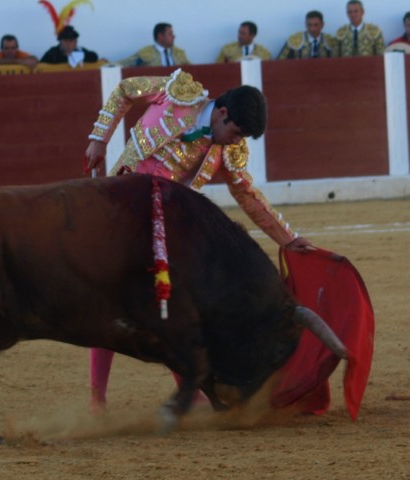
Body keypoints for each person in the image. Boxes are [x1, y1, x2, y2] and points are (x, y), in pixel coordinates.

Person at [84, 68, 312, 409]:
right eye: (236, 133)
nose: (237, 142)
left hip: (166, 225)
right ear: (221, 113)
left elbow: (248, 196)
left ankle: (190, 390)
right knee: (112, 303)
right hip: (119, 210)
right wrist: (99, 137)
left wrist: (288, 239)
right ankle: (98, 398)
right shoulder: (177, 92)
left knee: (174, 305)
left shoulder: (225, 151)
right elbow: (124, 90)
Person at [119, 22, 190, 67]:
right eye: (170, 34)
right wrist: (108, 64)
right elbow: (125, 63)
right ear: (160, 36)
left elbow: (192, 69)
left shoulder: (179, 53)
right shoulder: (145, 52)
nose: (174, 36)